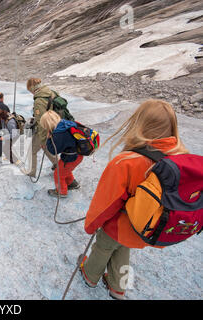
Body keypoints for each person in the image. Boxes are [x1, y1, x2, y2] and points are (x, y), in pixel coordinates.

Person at [79, 99, 189, 300]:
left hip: (117, 226)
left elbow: (107, 203)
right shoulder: (178, 159)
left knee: (102, 248)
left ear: (139, 124)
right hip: (144, 228)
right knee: (124, 251)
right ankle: (118, 288)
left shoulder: (127, 161)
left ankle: (90, 275)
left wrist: (91, 225)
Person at [26, 78, 64, 177]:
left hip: (45, 130)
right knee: (46, 148)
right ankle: (58, 165)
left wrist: (43, 140)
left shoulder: (39, 100)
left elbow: (42, 121)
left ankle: (32, 172)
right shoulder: (51, 92)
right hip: (55, 125)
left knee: (33, 151)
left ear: (32, 88)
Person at [40, 110, 82, 197]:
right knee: (63, 169)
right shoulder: (64, 124)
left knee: (58, 173)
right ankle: (71, 183)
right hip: (78, 154)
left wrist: (48, 139)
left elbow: (54, 150)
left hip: (71, 157)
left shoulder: (60, 133)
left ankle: (61, 191)